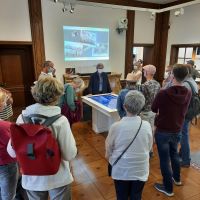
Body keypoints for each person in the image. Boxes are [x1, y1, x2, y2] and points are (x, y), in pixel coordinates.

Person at [7, 76, 77, 200]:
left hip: (32, 177)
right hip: (58, 176)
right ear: (57, 95)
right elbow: (69, 154)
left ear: (35, 93)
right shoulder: (61, 120)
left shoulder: (21, 118)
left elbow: (11, 152)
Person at [152, 64, 191, 197]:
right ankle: (177, 179)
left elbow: (153, 108)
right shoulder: (188, 92)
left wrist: (164, 86)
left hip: (163, 130)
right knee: (174, 154)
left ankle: (168, 188)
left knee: (164, 159)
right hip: (177, 129)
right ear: (185, 77)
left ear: (172, 75)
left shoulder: (163, 93)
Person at [106, 90, 153, 200]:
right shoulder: (146, 125)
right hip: (141, 170)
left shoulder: (116, 126)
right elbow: (149, 147)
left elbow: (108, 150)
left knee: (121, 196)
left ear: (124, 106)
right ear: (141, 107)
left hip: (121, 170)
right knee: (136, 196)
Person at [0, 90, 19, 200]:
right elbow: (13, 148)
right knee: (9, 195)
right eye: (4, 101)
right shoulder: (6, 126)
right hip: (6, 164)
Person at [179, 64, 199, 168]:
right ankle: (182, 155)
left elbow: (181, 101)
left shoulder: (186, 84)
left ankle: (186, 160)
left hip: (185, 113)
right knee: (184, 134)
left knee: (184, 136)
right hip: (191, 112)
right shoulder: (192, 81)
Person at [140, 65, 160, 156]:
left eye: (144, 71)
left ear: (147, 72)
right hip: (154, 111)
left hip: (145, 112)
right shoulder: (157, 84)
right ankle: (150, 150)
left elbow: (142, 100)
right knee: (151, 130)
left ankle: (145, 151)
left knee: (144, 132)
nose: (143, 72)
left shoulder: (144, 85)